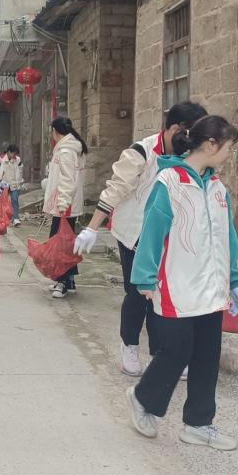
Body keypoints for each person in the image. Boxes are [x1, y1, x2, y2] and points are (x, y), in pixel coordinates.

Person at [125, 115, 238, 452]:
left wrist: (236, 280)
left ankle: (198, 424)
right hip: (177, 286)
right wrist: (144, 277)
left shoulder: (217, 187)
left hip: (211, 289)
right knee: (176, 352)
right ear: (210, 145)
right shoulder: (170, 182)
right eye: (228, 147)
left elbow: (227, 236)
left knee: (207, 355)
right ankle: (142, 399)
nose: (229, 155)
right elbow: (152, 231)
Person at [73, 102, 207, 377]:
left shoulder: (187, 155)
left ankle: (162, 353)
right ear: (174, 128)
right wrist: (92, 228)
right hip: (134, 234)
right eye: (190, 133)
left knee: (165, 294)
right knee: (138, 294)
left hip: (168, 236)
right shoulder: (141, 152)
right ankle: (130, 345)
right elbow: (115, 190)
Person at [43, 117, 88, 298]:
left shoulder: (67, 150)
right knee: (67, 243)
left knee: (59, 244)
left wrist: (62, 204)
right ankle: (69, 280)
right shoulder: (70, 148)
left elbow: (68, 180)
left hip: (65, 205)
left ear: (55, 131)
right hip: (66, 203)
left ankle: (61, 281)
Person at [0, 144, 24, 226]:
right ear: (9, 152)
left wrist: (20, 182)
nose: (15, 155)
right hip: (4, 184)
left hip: (14, 184)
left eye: (16, 154)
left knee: (14, 200)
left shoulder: (18, 160)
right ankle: (3, 218)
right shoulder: (0, 160)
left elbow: (20, 172)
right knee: (3, 202)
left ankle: (15, 218)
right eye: (13, 153)